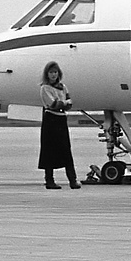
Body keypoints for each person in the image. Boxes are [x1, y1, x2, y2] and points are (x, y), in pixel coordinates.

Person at [39, 61, 79, 189]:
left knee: (66, 150)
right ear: (47, 74)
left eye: (55, 72)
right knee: (49, 150)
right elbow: (54, 104)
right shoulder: (45, 88)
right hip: (50, 120)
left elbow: (69, 104)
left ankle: (72, 180)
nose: (53, 75)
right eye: (51, 72)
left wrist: (63, 103)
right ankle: (49, 180)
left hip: (61, 120)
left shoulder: (63, 87)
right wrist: (64, 103)